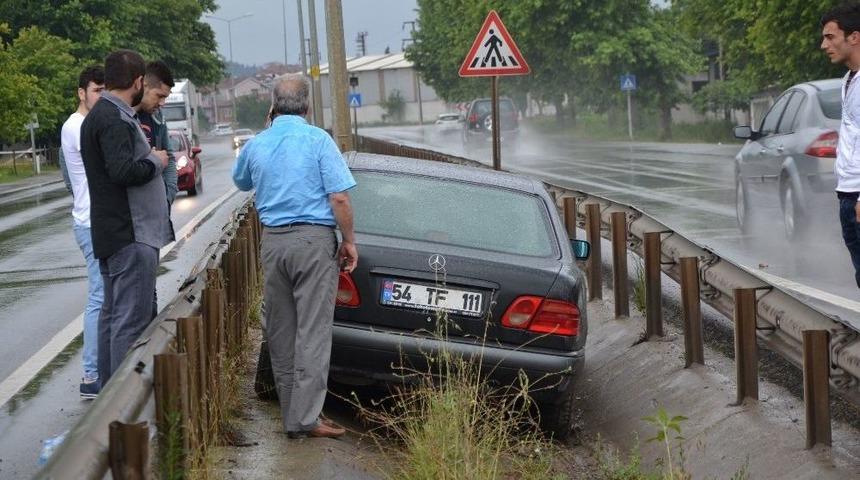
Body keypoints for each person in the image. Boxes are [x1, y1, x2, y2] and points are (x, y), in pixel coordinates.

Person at [232, 74, 358, 439]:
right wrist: (349, 240)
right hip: (314, 242)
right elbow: (339, 198)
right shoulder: (318, 140)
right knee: (313, 332)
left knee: (282, 331)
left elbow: (240, 182)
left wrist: (265, 130)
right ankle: (305, 420)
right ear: (307, 106)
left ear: (272, 106)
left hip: (273, 243)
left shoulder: (258, 143)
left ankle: (292, 417)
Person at [80, 49, 174, 385]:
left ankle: (109, 397)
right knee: (128, 321)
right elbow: (122, 171)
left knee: (112, 316)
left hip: (114, 232)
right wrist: (156, 161)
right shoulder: (115, 119)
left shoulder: (100, 115)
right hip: (130, 234)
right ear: (137, 82)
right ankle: (122, 402)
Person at [60, 65, 105, 398]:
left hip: (92, 219)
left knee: (107, 297)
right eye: (96, 91)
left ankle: (101, 368)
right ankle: (91, 374)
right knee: (100, 297)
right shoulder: (77, 127)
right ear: (82, 92)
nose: (101, 97)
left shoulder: (85, 124)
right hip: (91, 222)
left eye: (105, 90)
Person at [822, 4, 860, 288]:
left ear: (854, 37)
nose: (825, 45)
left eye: (830, 37)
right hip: (847, 193)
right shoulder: (848, 80)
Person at [136, 60, 178, 207]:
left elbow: (169, 157)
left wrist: (168, 196)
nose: (162, 103)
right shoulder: (124, 118)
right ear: (144, 85)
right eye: (159, 96)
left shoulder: (157, 117)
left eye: (165, 97)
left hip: (159, 206)